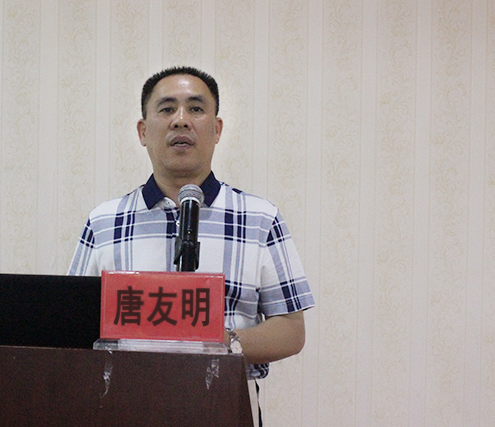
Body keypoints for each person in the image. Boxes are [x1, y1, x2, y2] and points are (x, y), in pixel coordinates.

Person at [68, 66, 315, 424]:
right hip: (123, 407)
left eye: (196, 109)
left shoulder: (260, 218)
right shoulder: (104, 222)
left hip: (224, 407)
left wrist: (222, 341)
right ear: (143, 131)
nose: (181, 120)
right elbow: (71, 327)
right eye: (167, 109)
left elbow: (291, 331)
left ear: (216, 130)